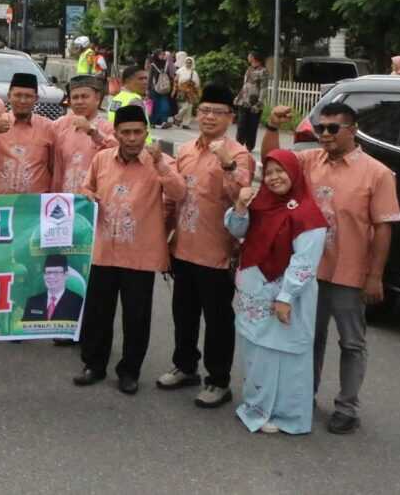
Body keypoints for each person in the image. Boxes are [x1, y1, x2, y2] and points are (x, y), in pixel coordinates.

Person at [262, 101, 400, 434]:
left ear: (352, 130)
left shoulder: (377, 173)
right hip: (309, 271)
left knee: (352, 343)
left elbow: (383, 227)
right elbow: (271, 164)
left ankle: (347, 407)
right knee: (310, 337)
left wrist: (375, 276)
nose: (324, 135)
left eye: (332, 129)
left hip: (350, 274)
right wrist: (271, 127)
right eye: (320, 128)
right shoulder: (310, 161)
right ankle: (302, 395)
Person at [73, 105, 186, 395]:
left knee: (136, 318)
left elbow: (179, 193)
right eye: (126, 132)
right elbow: (86, 187)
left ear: (146, 133)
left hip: (141, 254)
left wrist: (160, 164)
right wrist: (87, 194)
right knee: (98, 313)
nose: (133, 138)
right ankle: (94, 365)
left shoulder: (159, 161)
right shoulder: (101, 159)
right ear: (117, 134)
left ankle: (129, 371)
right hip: (104, 250)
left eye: (138, 132)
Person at [160, 83, 255, 408]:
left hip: (217, 252)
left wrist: (227, 163)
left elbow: (240, 199)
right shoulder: (185, 150)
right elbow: (173, 199)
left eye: (218, 112)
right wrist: (164, 238)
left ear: (231, 117)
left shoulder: (239, 154)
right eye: (204, 110)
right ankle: (185, 366)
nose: (209, 117)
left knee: (217, 321)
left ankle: (219, 380)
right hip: (183, 247)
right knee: (183, 313)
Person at [225, 150, 328, 434]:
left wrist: (285, 297)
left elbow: (305, 261)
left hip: (287, 296)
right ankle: (257, 406)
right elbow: (236, 230)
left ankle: (284, 414)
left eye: (280, 171)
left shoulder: (308, 213)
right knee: (256, 352)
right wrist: (241, 207)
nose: (274, 178)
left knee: (284, 353)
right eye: (269, 172)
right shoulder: (259, 202)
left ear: (294, 173)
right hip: (255, 292)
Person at [0, 73, 56, 194]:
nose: (22, 101)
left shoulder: (48, 128)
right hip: (2, 205)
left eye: (28, 96)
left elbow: (54, 166)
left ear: (36, 98)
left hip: (35, 206)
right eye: (18, 95)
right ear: (9, 96)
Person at [51, 75, 115, 195]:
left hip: (95, 200)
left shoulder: (108, 128)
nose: (79, 102)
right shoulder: (60, 125)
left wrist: (92, 132)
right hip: (65, 201)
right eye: (75, 97)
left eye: (85, 97)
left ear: (97, 98)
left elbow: (118, 152)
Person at [22, 255, 83, 322]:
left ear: (66, 275)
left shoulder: (78, 302)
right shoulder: (32, 302)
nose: (51, 277)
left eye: (56, 273)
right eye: (48, 272)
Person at [233, 52, 269, 152]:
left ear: (254, 58)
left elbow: (264, 88)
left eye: (250, 55)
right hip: (243, 101)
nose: (248, 57)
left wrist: (260, 103)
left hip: (254, 102)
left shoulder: (263, 71)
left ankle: (249, 146)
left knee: (252, 125)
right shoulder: (249, 69)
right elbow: (245, 85)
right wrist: (238, 96)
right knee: (241, 124)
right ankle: (238, 144)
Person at [108, 65, 149, 132]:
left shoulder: (117, 98)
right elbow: (137, 131)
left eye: (146, 78)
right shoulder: (135, 100)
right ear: (128, 81)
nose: (145, 82)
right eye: (140, 79)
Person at [174, 55, 201, 129]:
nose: (188, 63)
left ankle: (185, 124)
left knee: (189, 108)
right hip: (182, 91)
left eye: (190, 62)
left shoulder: (194, 72)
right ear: (185, 62)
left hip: (190, 92)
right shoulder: (180, 70)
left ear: (192, 63)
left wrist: (198, 94)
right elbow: (176, 81)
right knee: (184, 107)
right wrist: (175, 90)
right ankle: (177, 117)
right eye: (187, 62)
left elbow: (197, 84)